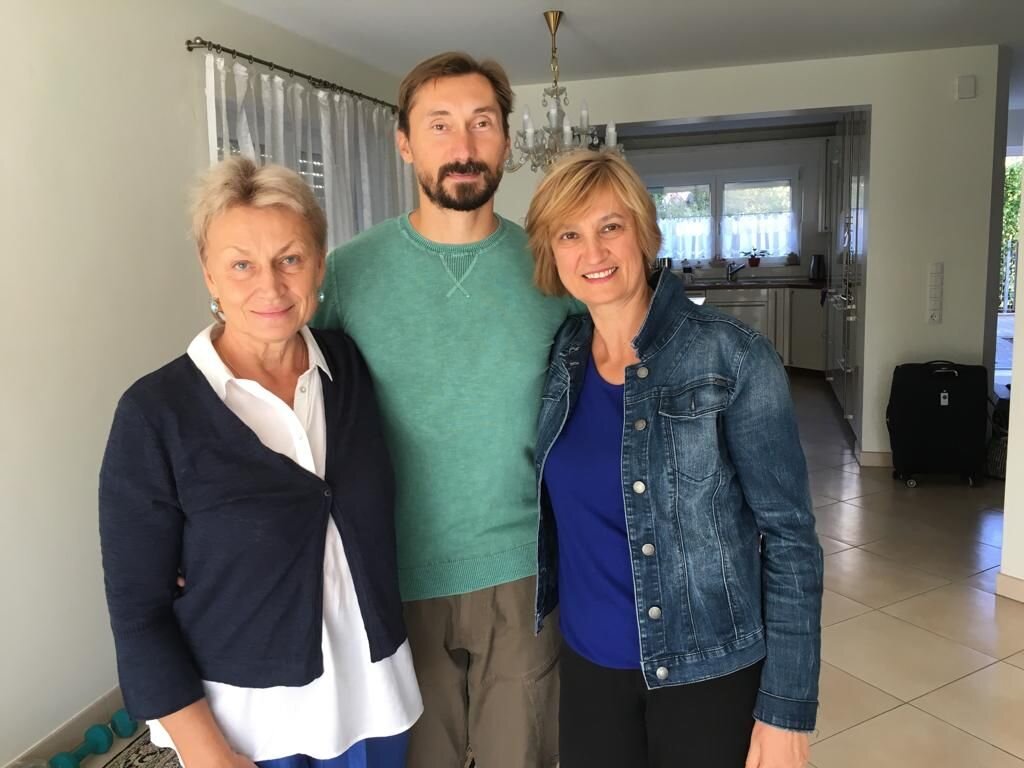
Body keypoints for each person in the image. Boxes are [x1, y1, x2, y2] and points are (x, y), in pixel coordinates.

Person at [99, 157, 422, 768]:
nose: (270, 287)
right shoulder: (155, 413)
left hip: (373, 697)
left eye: (289, 259)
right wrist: (207, 753)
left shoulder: (349, 368)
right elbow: (138, 610)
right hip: (247, 724)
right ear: (209, 274)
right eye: (241, 264)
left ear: (319, 264)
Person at [313, 53, 574, 768]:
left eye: (481, 123)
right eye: (440, 125)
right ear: (405, 143)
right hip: (392, 574)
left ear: (507, 140)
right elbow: (286, 401)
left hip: (523, 574)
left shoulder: (554, 267)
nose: (463, 146)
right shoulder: (347, 274)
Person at [525, 150, 823, 768]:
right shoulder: (562, 356)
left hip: (707, 675)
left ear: (645, 233)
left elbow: (790, 539)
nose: (593, 252)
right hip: (589, 673)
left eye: (611, 226)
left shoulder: (732, 356)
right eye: (569, 235)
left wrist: (785, 711)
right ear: (552, 253)